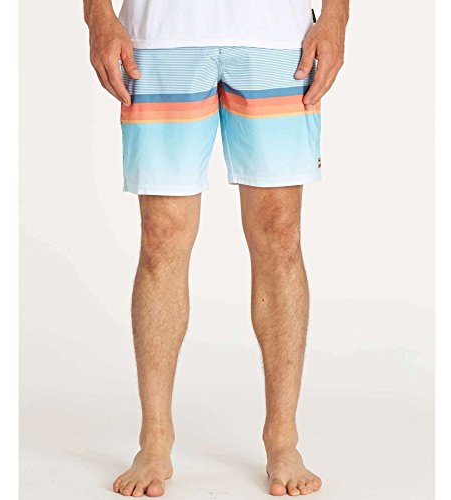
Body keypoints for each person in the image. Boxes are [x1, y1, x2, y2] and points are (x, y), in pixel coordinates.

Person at [83, 0, 349, 496]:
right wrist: (98, 16)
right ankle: (154, 440)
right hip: (161, 39)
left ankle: (283, 439)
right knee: (161, 237)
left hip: (276, 39)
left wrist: (336, 18)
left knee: (280, 235)